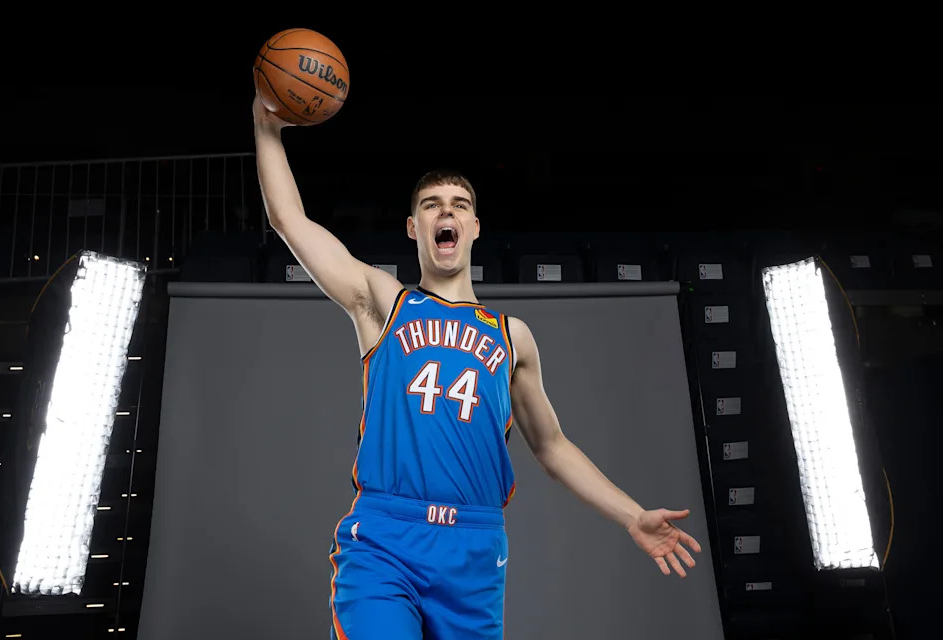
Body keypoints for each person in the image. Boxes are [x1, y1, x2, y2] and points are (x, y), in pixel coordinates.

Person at [253, 96, 702, 640]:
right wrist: (268, 129)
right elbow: (289, 219)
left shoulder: (512, 337)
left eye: (459, 204)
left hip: (474, 548)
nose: (447, 212)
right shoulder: (383, 302)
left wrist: (632, 515)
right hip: (385, 536)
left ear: (475, 226)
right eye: (432, 204)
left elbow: (553, 446)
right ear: (414, 227)